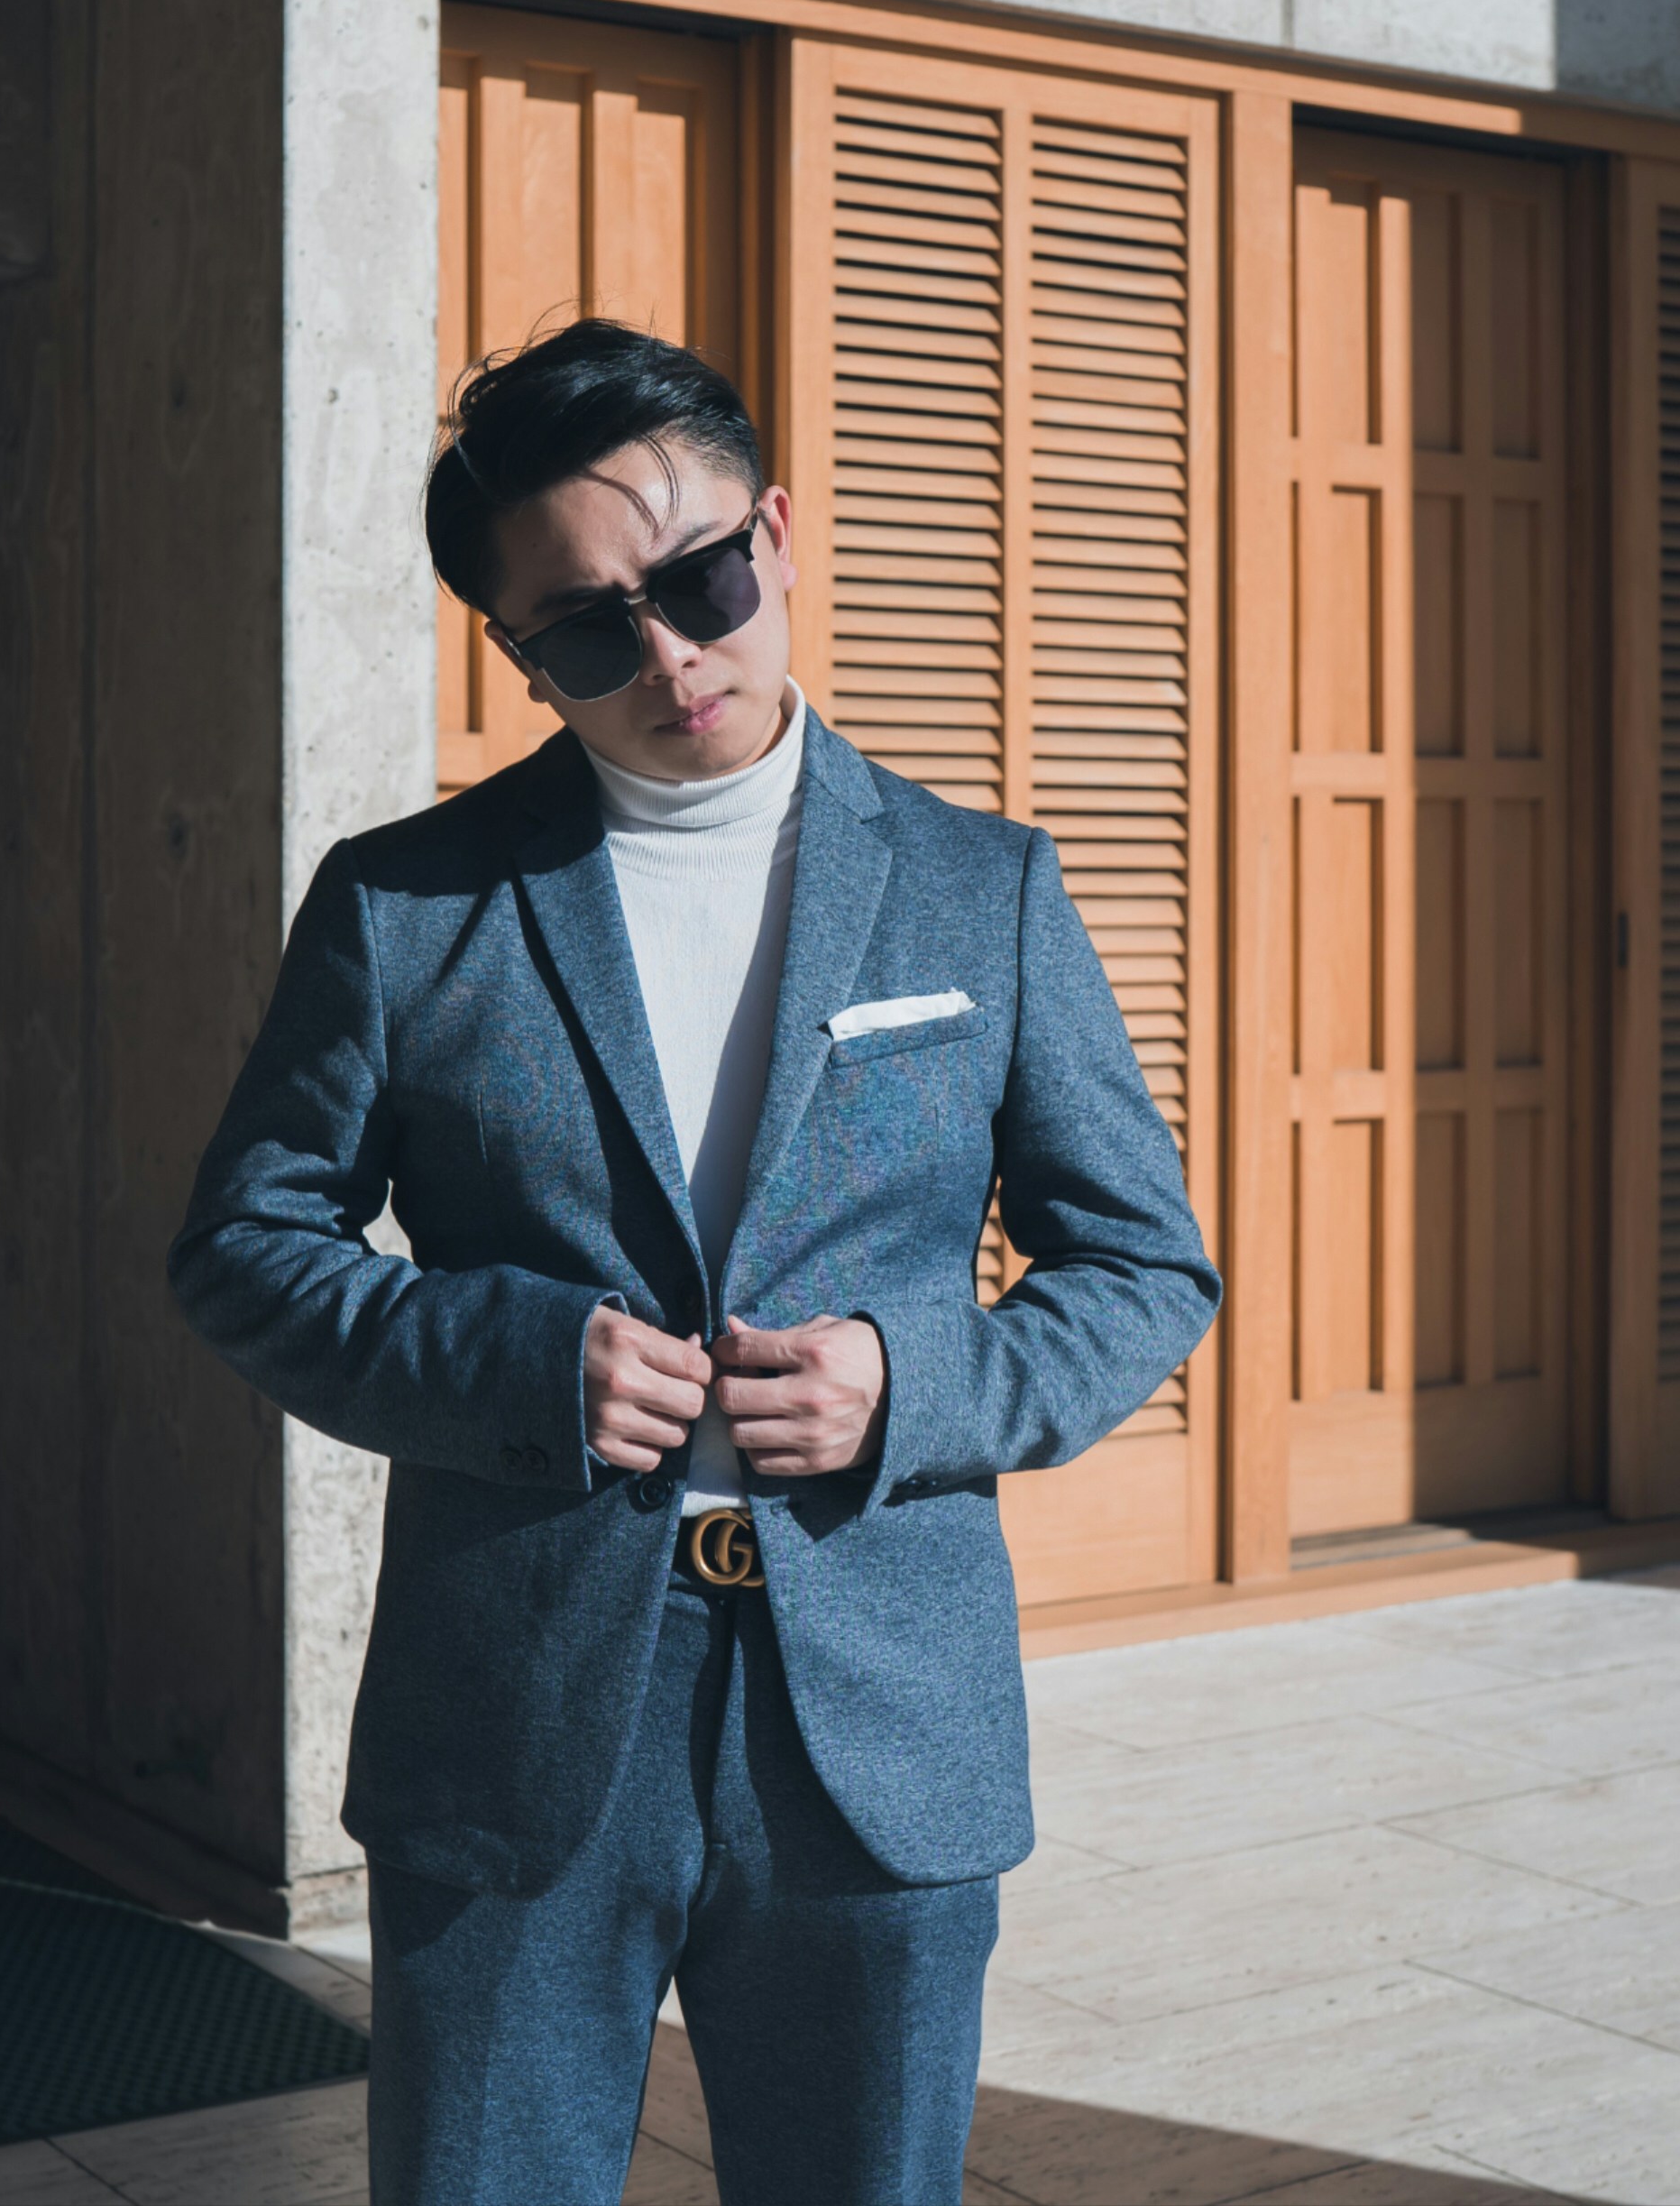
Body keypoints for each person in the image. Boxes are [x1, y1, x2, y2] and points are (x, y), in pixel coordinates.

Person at [167, 319, 1219, 2205]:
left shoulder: (983, 887)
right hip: (515, 1719)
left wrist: (912, 1381)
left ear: (779, 535)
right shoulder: (406, 905)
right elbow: (245, 1245)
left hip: (877, 1724)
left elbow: (1141, 1265)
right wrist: (509, 1358)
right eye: (584, 628)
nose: (667, 654)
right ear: (515, 652)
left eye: (700, 579)